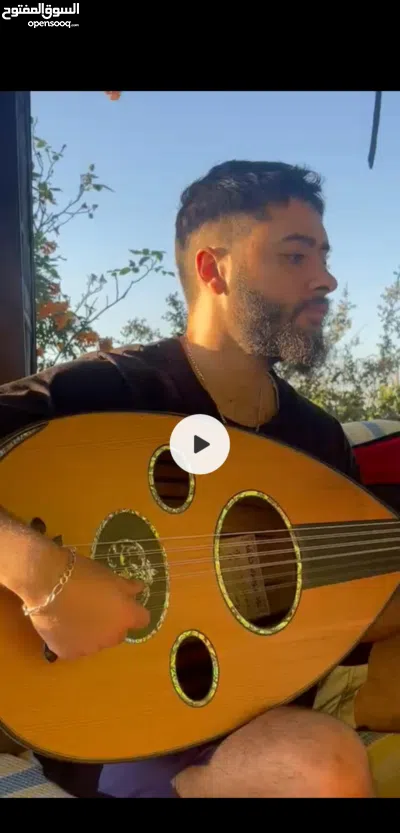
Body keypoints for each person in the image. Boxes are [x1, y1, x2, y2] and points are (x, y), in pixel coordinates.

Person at [1, 158, 396, 798]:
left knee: (316, 756)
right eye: (295, 256)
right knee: (321, 766)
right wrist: (44, 573)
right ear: (214, 270)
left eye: (323, 257)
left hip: (255, 724)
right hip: (112, 728)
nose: (325, 278)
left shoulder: (319, 442)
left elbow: (337, 620)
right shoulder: (108, 392)